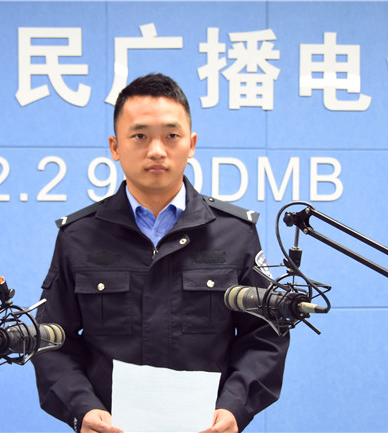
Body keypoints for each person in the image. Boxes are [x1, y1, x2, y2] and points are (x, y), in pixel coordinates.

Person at [32, 73, 290, 433]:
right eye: (140, 136)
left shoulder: (234, 234)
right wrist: (82, 409)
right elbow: (50, 340)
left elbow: (265, 336)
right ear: (115, 147)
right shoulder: (79, 237)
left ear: (191, 144)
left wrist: (235, 407)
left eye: (171, 135)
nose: (156, 150)